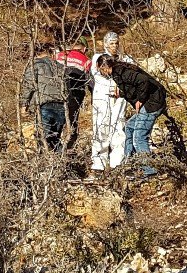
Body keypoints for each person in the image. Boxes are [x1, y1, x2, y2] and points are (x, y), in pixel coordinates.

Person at [96, 55, 167, 177]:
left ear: (105, 66)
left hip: (152, 103)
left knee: (139, 137)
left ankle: (149, 170)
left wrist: (140, 99)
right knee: (129, 127)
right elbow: (133, 87)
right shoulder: (119, 71)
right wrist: (121, 94)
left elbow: (143, 81)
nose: (101, 72)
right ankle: (130, 163)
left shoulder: (122, 72)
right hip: (152, 102)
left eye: (100, 69)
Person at [89, 32, 135, 173]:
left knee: (118, 127)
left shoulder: (126, 59)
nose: (114, 46)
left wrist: (120, 86)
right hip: (102, 97)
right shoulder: (98, 58)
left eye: (116, 43)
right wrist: (113, 84)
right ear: (105, 44)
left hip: (119, 97)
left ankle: (117, 161)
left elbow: (131, 76)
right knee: (101, 128)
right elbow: (99, 74)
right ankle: (98, 163)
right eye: (111, 43)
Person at [19, 43, 69, 152]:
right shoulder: (60, 67)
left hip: (45, 106)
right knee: (55, 139)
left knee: (43, 139)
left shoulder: (35, 65)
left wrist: (24, 105)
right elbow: (67, 88)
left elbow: (29, 85)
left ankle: (46, 164)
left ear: (35, 53)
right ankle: (62, 163)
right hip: (62, 106)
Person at [54, 39, 93, 150]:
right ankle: (70, 150)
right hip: (75, 96)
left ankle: (56, 151)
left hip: (56, 95)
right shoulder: (86, 61)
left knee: (57, 126)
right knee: (72, 125)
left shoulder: (59, 56)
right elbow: (91, 82)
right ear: (84, 49)